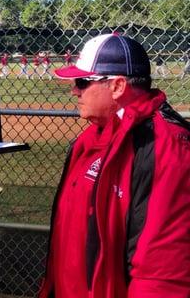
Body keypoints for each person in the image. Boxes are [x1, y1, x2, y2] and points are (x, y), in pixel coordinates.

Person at [38, 33, 190, 298]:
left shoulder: (166, 147)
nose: (74, 90)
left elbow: (162, 272)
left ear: (118, 86)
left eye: (83, 81)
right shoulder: (91, 138)